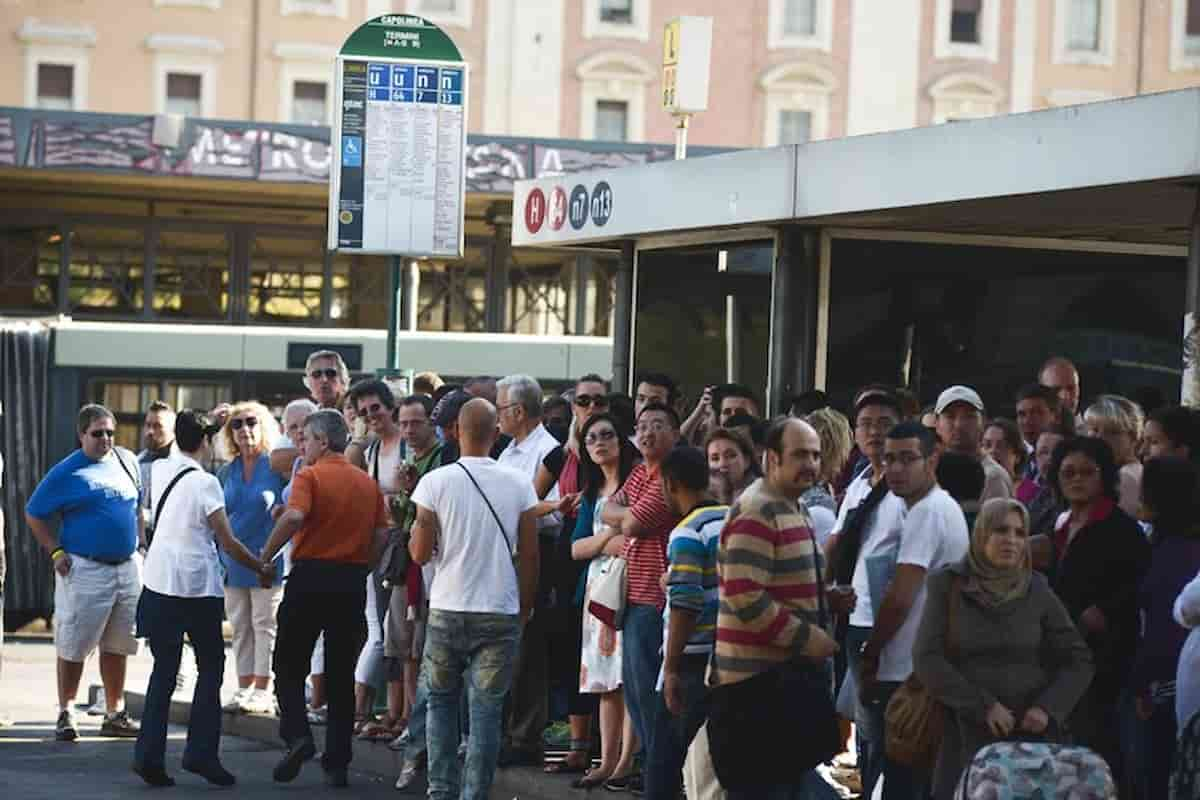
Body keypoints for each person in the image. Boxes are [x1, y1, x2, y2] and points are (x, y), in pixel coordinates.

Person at [912, 498, 1094, 800]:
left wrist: (1048, 708)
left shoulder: (1036, 588)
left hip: (1031, 739)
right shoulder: (948, 584)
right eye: (1000, 530)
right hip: (964, 734)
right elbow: (926, 657)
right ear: (982, 534)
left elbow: (1078, 659)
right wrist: (982, 706)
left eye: (1019, 533)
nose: (1011, 540)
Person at [133, 410, 274, 788]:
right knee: (210, 666)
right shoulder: (206, 483)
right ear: (208, 441)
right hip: (196, 588)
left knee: (164, 671)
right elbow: (226, 541)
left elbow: (186, 437)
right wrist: (261, 565)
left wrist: (206, 420)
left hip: (159, 582)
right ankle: (201, 754)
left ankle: (148, 756)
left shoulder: (161, 469)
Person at [409, 398, 540, 800]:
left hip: (448, 607)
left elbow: (418, 553)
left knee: (441, 705)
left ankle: (440, 790)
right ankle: (474, 795)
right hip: (499, 610)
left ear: (456, 432)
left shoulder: (435, 481)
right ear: (495, 432)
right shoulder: (519, 482)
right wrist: (524, 609)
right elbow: (531, 556)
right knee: (486, 714)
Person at [708, 418, 840, 799]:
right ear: (772, 458)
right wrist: (810, 638)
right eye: (800, 455)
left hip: (784, 687)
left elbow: (778, 587)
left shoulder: (792, 506)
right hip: (755, 695)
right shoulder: (757, 510)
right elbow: (746, 596)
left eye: (815, 455)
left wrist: (826, 599)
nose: (811, 464)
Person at [261, 409, 390, 788]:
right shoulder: (367, 484)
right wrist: (364, 564)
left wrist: (266, 554)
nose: (304, 446)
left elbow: (294, 517)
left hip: (310, 576)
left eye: (307, 439)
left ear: (321, 441)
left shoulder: (310, 475)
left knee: (288, 662)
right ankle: (338, 762)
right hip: (350, 580)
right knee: (340, 673)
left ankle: (298, 736)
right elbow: (382, 535)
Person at [858, 421, 970, 800]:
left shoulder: (929, 511)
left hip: (909, 674)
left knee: (903, 785)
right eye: (889, 459)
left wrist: (870, 653)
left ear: (931, 460)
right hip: (918, 668)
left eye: (908, 459)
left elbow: (902, 596)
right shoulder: (932, 508)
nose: (896, 469)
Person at [25, 403, 145, 741]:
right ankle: (67, 711)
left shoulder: (126, 460)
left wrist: (141, 543)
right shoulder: (67, 472)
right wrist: (55, 551)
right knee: (74, 642)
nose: (105, 439)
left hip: (126, 567)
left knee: (119, 643)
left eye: (110, 432)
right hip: (85, 568)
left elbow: (135, 506)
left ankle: (115, 711)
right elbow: (34, 512)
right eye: (97, 433)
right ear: (81, 436)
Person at [1039, 436, 1150, 785]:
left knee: (1098, 757)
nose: (1076, 479)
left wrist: (1104, 610)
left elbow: (1141, 586)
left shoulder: (1122, 529)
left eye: (1087, 472)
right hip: (1056, 660)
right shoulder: (1055, 525)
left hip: (1104, 664)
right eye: (1068, 472)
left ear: (1104, 477)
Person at [822, 388, 908, 794]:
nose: (874, 432)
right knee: (868, 728)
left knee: (893, 730)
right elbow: (836, 544)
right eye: (866, 424)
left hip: (895, 624)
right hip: (855, 620)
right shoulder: (857, 485)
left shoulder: (912, 487)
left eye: (884, 424)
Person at [599, 401, 684, 794]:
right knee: (634, 690)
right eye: (642, 426)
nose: (647, 433)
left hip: (656, 600)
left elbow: (631, 521)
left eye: (657, 425)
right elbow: (606, 508)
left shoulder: (671, 476)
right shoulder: (638, 472)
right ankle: (653, 771)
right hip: (630, 596)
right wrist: (625, 514)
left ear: (676, 433)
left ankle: (660, 776)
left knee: (650, 694)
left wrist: (626, 515)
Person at [536, 373, 608, 776]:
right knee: (569, 649)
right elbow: (528, 502)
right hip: (567, 555)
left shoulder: (621, 451)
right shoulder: (560, 457)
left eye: (599, 401)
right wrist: (555, 507)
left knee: (603, 647)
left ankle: (605, 746)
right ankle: (580, 745)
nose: (591, 409)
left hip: (607, 556)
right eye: (584, 401)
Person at [645, 446, 728, 800]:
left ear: (670, 483)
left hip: (694, 661)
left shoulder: (687, 532)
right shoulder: (734, 518)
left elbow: (686, 604)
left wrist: (671, 667)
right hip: (733, 656)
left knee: (663, 762)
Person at [494, 374, 564, 768]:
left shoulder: (547, 452)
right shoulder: (509, 451)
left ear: (518, 411)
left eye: (502, 409)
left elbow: (550, 515)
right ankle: (508, 731)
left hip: (536, 557)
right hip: (505, 557)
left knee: (528, 651)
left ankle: (524, 736)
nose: (498, 417)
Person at [570, 412, 640, 790]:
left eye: (607, 434)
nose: (599, 442)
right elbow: (576, 549)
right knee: (603, 681)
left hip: (634, 590)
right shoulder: (591, 493)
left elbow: (640, 539)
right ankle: (606, 759)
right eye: (591, 437)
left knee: (628, 680)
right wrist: (607, 541)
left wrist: (611, 541)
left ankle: (626, 760)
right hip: (598, 595)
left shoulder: (638, 482)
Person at [1130, 457, 1200, 799]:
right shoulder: (1163, 545)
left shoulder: (1177, 553)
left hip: (1169, 690)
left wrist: (1144, 685)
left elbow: (1167, 625)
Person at [345, 380, 407, 742]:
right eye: (365, 412)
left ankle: (389, 712)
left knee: (395, 635)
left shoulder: (403, 446)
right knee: (382, 631)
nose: (372, 417)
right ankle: (375, 710)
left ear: (390, 407)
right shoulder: (370, 452)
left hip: (400, 548)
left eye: (376, 409)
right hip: (378, 549)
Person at [217, 401, 284, 716]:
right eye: (237, 424)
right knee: (240, 626)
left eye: (251, 422)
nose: (244, 429)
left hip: (266, 562)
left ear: (264, 426)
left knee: (264, 624)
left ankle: (262, 690)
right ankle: (243, 688)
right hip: (232, 562)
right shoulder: (225, 471)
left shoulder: (276, 466)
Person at [269, 349, 351, 478]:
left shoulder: (354, 412)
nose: (324, 379)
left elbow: (351, 454)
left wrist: (310, 451)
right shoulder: (309, 414)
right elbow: (276, 460)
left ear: (343, 379)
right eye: (317, 374)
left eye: (331, 373)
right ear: (307, 382)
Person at [935, 385, 1012, 501]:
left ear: (983, 422)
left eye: (969, 416)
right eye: (950, 416)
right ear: (937, 423)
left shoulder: (993, 477)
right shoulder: (927, 473)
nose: (959, 425)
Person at [1083, 394, 1145, 518]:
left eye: (1111, 432)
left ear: (1133, 437)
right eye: (1094, 430)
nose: (1099, 438)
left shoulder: (1126, 477)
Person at [1018, 425, 1072, 538]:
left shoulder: (1075, 499)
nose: (1049, 458)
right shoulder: (1038, 496)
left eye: (1056, 452)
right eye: (1043, 452)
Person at [137, 400, 176, 541]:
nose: (150, 431)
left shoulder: (182, 465)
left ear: (173, 430)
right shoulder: (137, 463)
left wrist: (143, 516)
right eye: (148, 425)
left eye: (157, 426)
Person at [704, 428, 757, 505]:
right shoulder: (703, 498)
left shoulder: (760, 496)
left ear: (746, 461)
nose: (722, 464)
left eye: (730, 456)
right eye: (715, 459)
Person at [1014, 384, 1061, 462]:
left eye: (1036, 413)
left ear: (1056, 417)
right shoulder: (1017, 461)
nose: (1027, 421)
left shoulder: (1069, 459)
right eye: (1021, 414)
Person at [1039, 356, 1084, 433]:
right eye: (1056, 390)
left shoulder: (1094, 436)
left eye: (1071, 388)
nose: (1066, 396)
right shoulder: (1022, 439)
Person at [981, 417, 1025, 484]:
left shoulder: (1034, 492)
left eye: (1001, 446)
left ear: (1017, 456)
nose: (993, 450)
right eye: (987, 445)